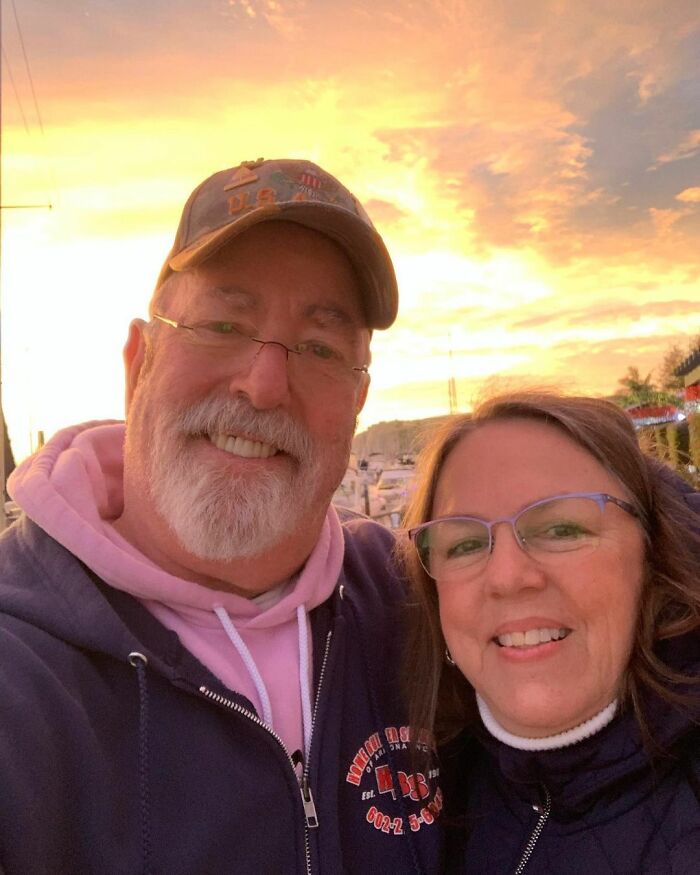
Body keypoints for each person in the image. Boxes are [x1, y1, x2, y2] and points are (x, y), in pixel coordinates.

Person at [0, 158, 442, 874]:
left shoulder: (411, 606)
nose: (265, 385)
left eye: (321, 348)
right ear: (139, 361)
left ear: (358, 404)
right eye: (224, 324)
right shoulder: (23, 673)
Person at [400, 391, 700, 874]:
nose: (507, 577)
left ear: (652, 557)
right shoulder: (427, 802)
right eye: (466, 543)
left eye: (561, 529)